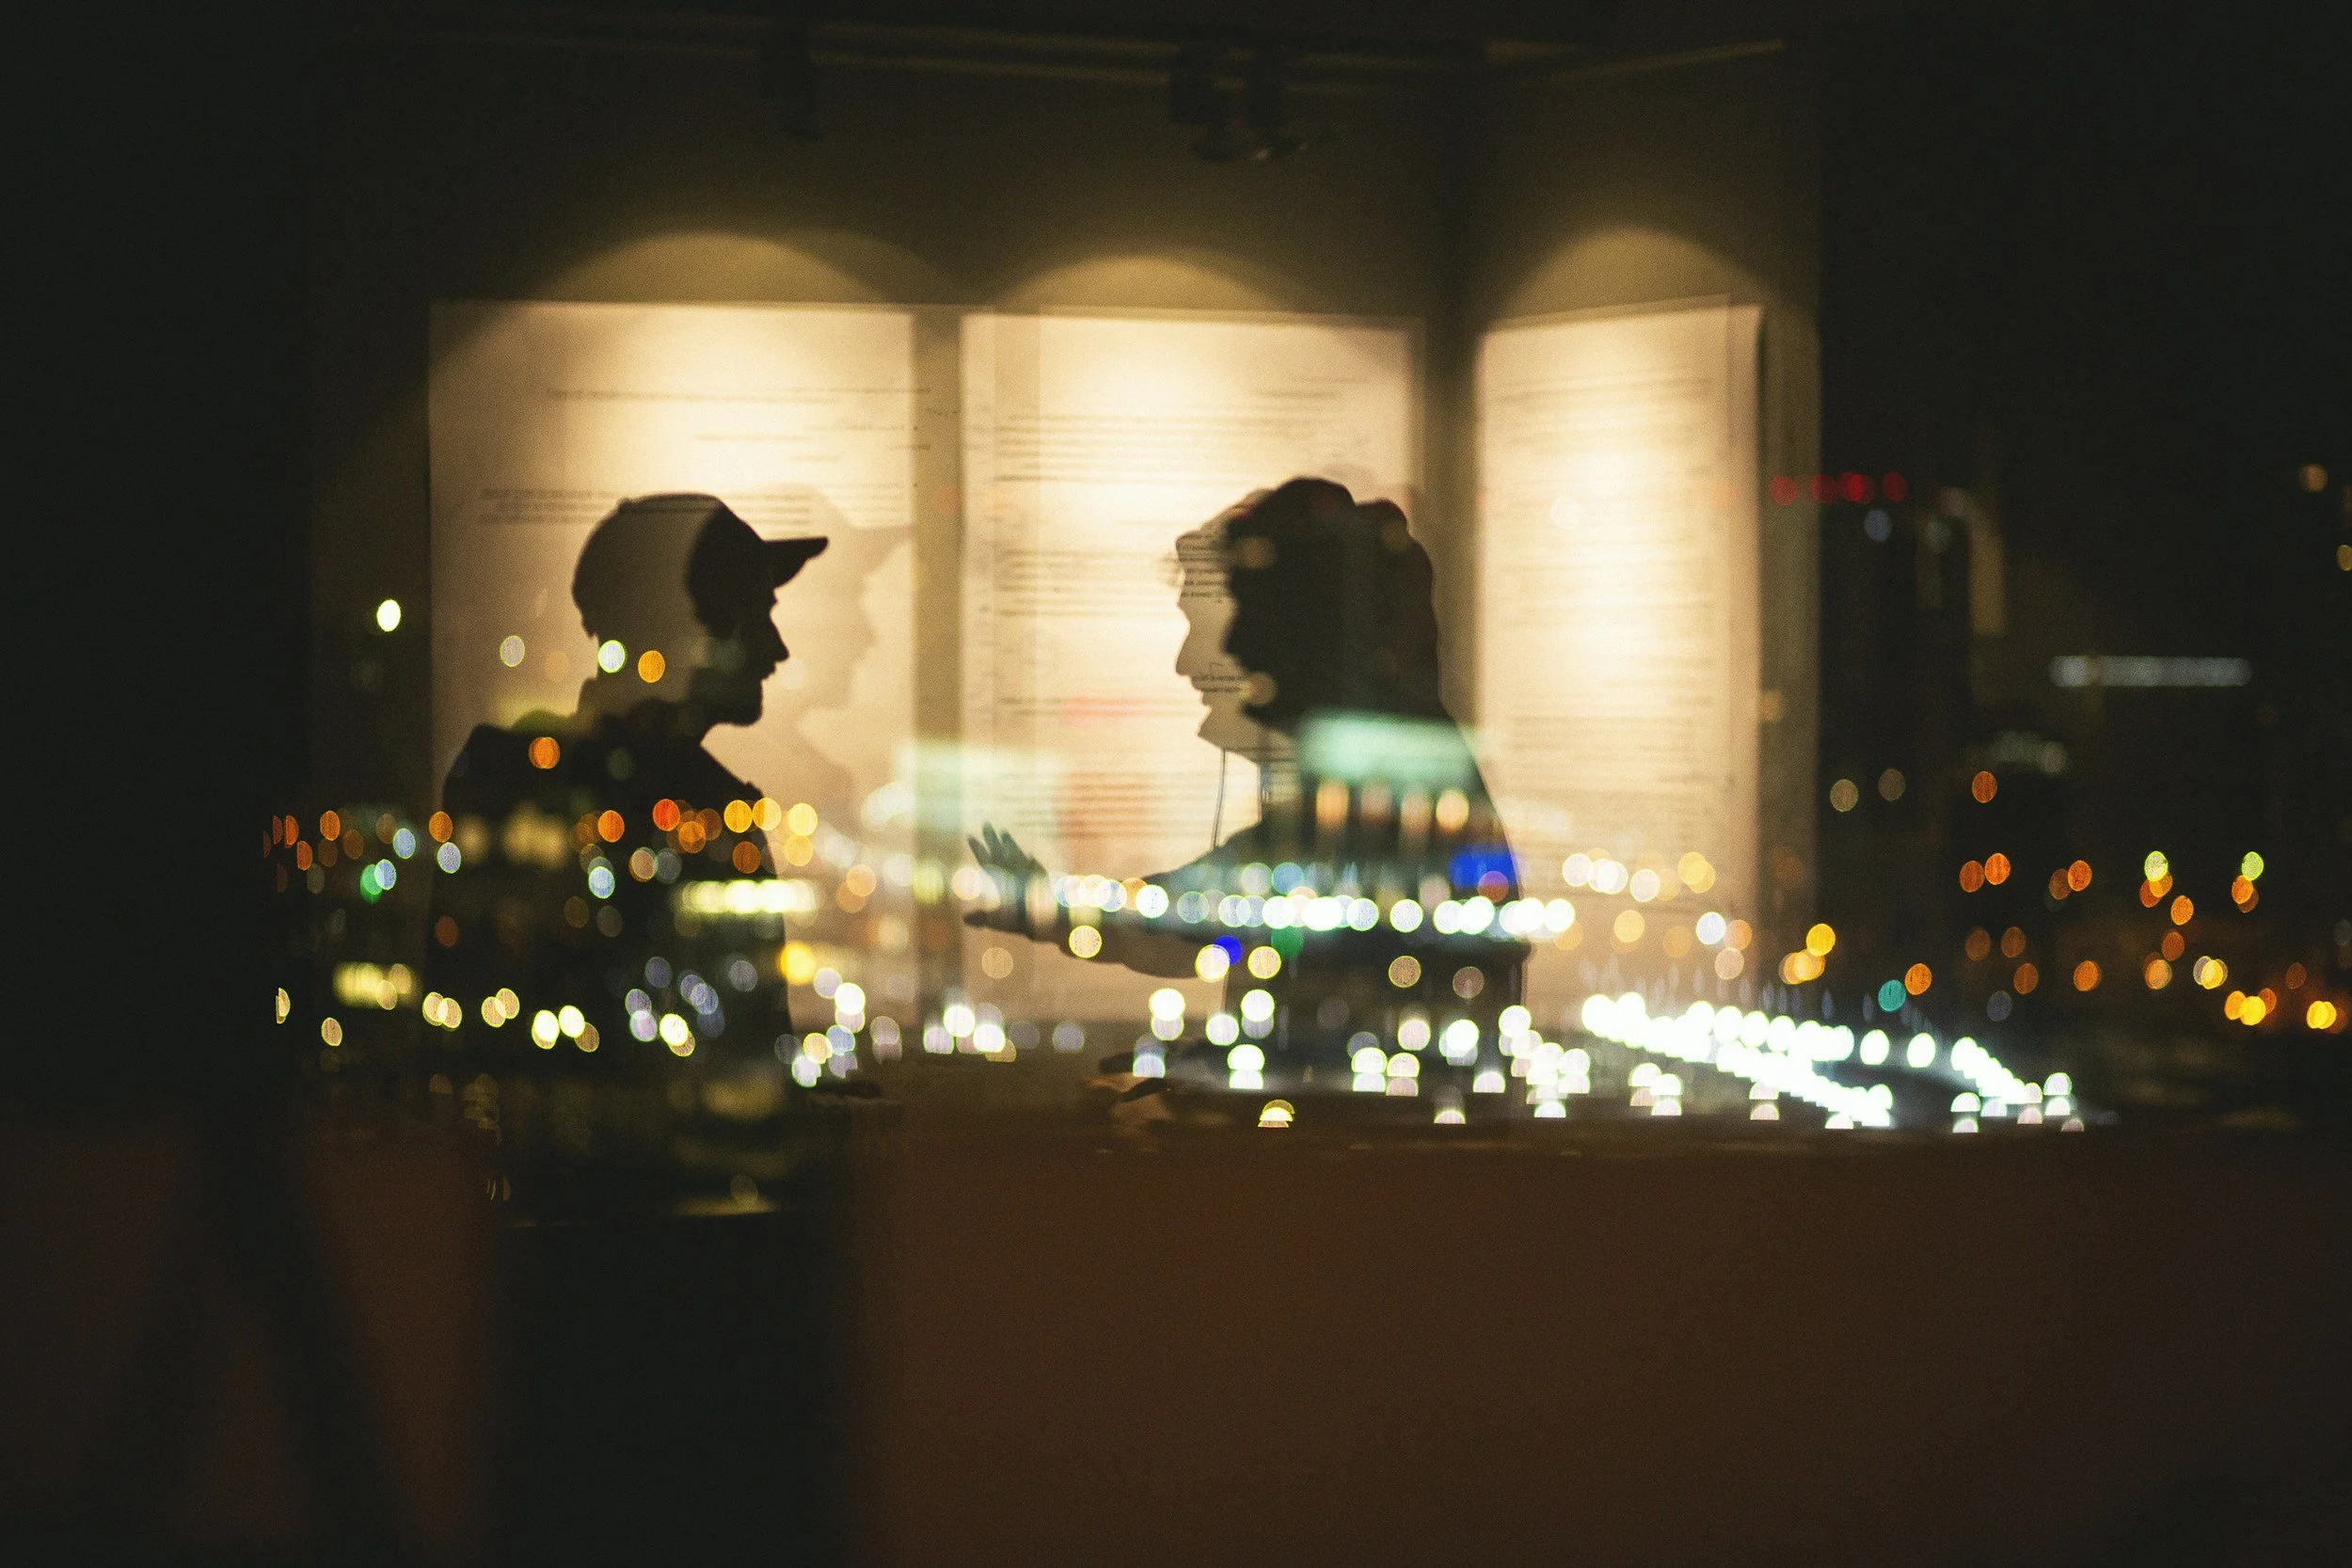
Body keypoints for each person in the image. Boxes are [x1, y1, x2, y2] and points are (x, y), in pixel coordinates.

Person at [970, 478, 1527, 1109]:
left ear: (1307, 629)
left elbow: (1326, 1033)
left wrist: (1194, 1084)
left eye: (1247, 616)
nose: (1223, 651)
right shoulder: (1376, 761)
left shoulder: (1375, 772)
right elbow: (1246, 940)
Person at [424, 494, 852, 1208]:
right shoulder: (694, 812)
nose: (776, 649)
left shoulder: (511, 776)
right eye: (753, 614)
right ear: (692, 628)